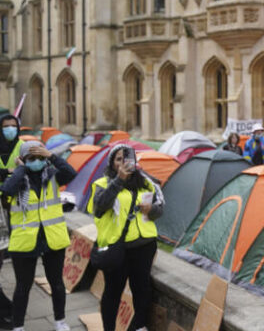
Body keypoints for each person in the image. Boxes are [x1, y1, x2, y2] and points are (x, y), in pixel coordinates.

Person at [0, 141, 76, 331]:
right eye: (31, 158)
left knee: (57, 284)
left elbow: (71, 173)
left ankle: (60, 321)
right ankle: (18, 326)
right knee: (23, 287)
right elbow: (7, 190)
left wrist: (51, 156)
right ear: (24, 159)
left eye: (40, 158)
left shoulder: (52, 175)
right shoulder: (18, 177)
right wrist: (20, 169)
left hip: (52, 237)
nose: (36, 161)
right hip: (25, 239)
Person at [88, 145, 165, 331]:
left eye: (127, 158)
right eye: (118, 159)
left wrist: (151, 210)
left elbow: (159, 210)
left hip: (144, 245)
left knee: (142, 289)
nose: (123, 162)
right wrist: (119, 180)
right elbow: (99, 208)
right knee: (113, 292)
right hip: (117, 247)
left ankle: (139, 326)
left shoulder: (146, 182)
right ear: (112, 163)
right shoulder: (102, 184)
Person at [0, 114, 23, 329]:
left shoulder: (23, 145)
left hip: (15, 209)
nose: (9, 130)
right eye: (5, 127)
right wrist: (7, 172)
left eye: (12, 126)